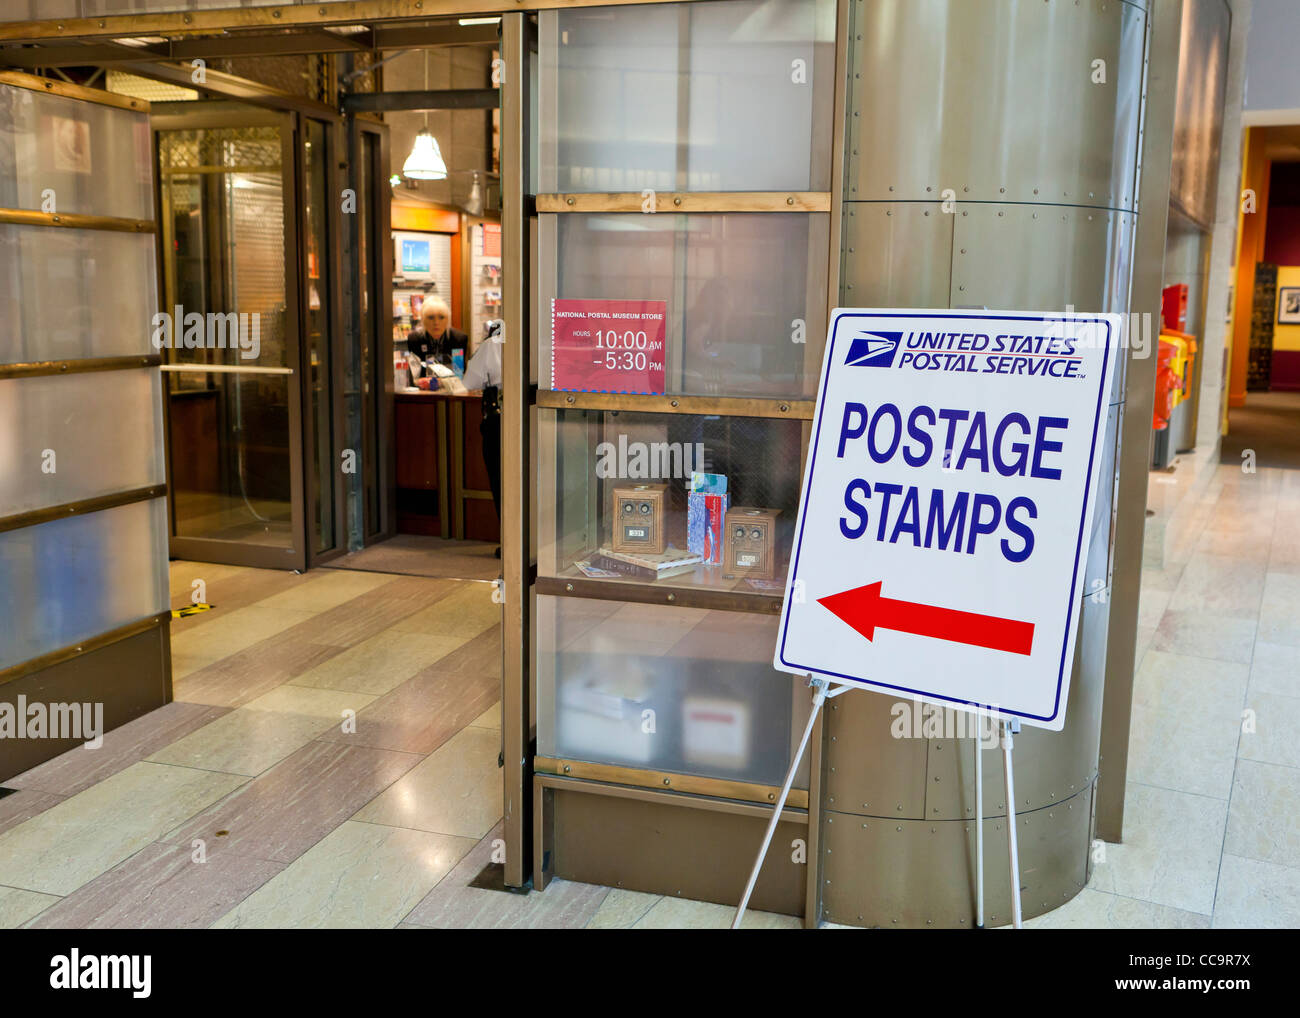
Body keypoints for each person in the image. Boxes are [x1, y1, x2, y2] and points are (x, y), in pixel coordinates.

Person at [463, 319, 504, 557]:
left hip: (498, 421)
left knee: (501, 482)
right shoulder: (539, 341)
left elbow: (470, 381)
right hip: (532, 418)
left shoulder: (492, 345)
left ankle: (510, 539)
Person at [405, 297, 468, 370]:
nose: (436, 323)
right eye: (431, 317)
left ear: (447, 319)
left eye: (441, 317)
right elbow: (415, 372)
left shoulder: (458, 339)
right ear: (423, 320)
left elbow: (458, 371)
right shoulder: (414, 339)